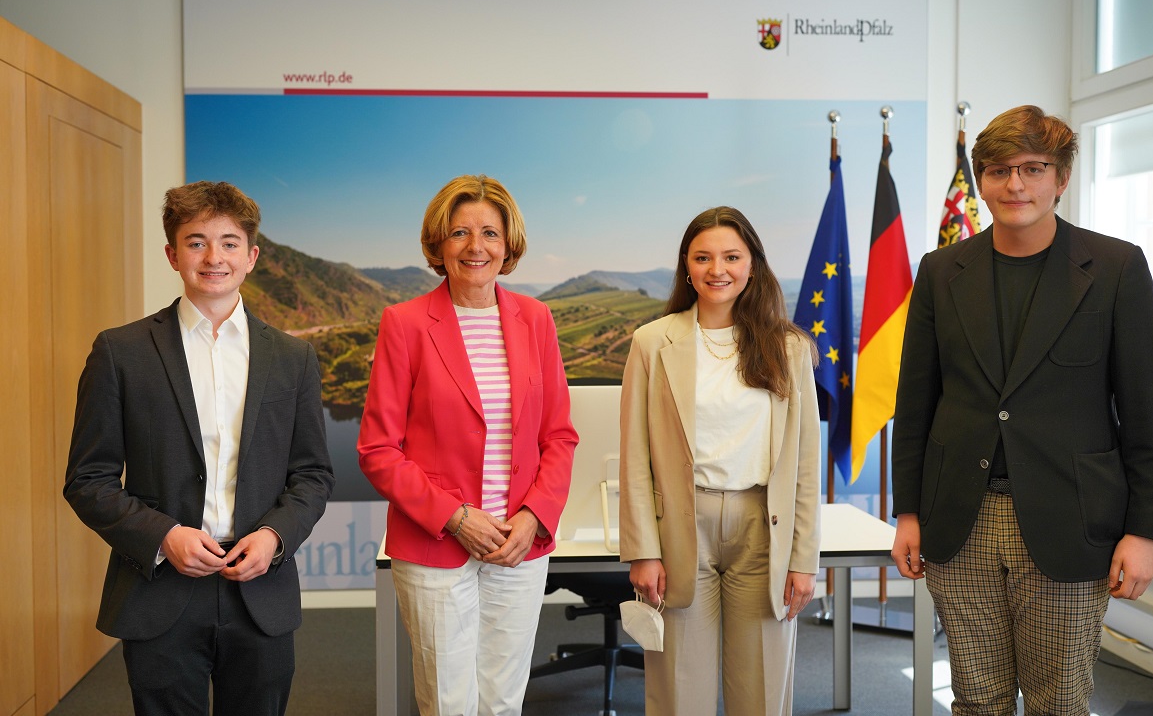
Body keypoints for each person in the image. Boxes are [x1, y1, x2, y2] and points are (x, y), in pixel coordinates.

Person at [890, 105, 1153, 716]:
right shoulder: (941, 271)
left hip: (1070, 518)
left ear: (1061, 179)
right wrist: (908, 511)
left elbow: (1150, 410)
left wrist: (1144, 530)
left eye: (1032, 168)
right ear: (982, 181)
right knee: (975, 698)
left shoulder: (1116, 267)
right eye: (998, 170)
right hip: (958, 520)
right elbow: (915, 402)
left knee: (1060, 701)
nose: (1015, 184)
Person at [63, 180, 336, 716]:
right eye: (196, 242)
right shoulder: (120, 352)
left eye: (230, 242)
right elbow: (87, 480)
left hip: (260, 589)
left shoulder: (293, 358)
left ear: (252, 256)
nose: (214, 257)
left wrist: (275, 537)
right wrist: (163, 536)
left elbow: (313, 476)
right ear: (172, 254)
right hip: (159, 589)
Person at [357, 174, 578, 716]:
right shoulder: (405, 324)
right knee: (448, 703)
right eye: (459, 232)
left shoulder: (536, 320)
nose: (475, 247)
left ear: (509, 246)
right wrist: (457, 517)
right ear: (438, 245)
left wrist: (533, 516)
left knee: (504, 700)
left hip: (517, 546)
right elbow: (378, 449)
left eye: (489, 233)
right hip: (439, 546)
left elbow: (560, 436)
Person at [618, 205, 822, 716]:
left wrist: (804, 559)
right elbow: (635, 457)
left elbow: (804, 464)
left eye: (732, 256)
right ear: (687, 267)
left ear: (753, 264)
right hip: (683, 527)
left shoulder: (790, 348)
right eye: (703, 257)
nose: (718, 269)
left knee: (761, 686)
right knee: (679, 691)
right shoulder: (652, 343)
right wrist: (643, 549)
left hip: (763, 528)